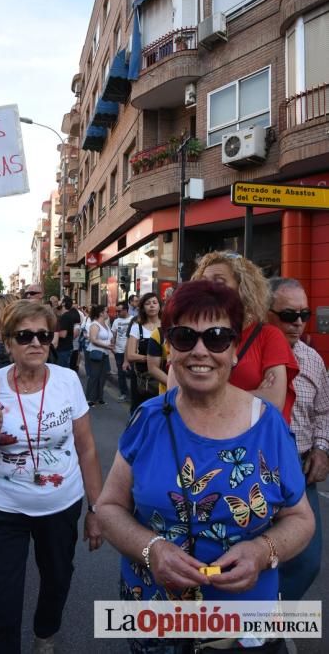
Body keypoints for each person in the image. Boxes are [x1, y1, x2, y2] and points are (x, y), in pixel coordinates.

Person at [97, 280, 314, 654]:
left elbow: (301, 518)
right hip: (158, 622)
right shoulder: (147, 419)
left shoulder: (268, 424)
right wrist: (152, 549)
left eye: (216, 337)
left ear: (233, 350)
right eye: (184, 337)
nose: (200, 351)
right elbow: (109, 507)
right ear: (169, 346)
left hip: (246, 626)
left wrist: (262, 551)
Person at [0, 300, 103, 654]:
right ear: (8, 343)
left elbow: (86, 449)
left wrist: (97, 510)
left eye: (43, 334)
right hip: (3, 508)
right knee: (1, 598)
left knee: (57, 578)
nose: (36, 343)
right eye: (25, 336)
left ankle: (45, 631)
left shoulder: (68, 381)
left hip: (61, 505)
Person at [183, 251, 299, 424]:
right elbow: (176, 396)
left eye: (218, 281)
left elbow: (274, 400)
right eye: (204, 281)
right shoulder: (187, 333)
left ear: (243, 288)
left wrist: (204, 399)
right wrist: (250, 396)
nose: (207, 287)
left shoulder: (268, 335)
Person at [268, 277, 329, 601]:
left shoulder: (312, 359)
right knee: (255, 557)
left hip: (300, 472)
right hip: (255, 472)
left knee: (306, 562)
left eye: (304, 315)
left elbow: (324, 412)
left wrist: (321, 449)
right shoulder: (245, 356)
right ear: (267, 313)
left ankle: (263, 622)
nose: (299, 323)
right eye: (289, 315)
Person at [126, 292, 162, 413]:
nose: (151, 306)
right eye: (147, 303)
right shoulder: (137, 327)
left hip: (163, 378)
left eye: (154, 303)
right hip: (142, 379)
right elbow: (131, 355)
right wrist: (151, 359)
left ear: (159, 306)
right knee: (139, 411)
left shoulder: (167, 326)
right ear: (143, 308)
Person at [86, 304, 113, 407]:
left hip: (105, 353)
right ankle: (90, 399)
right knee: (94, 376)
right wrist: (107, 345)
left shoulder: (105, 324)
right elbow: (93, 339)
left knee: (102, 376)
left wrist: (110, 346)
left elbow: (109, 338)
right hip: (96, 353)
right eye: (106, 311)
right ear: (101, 313)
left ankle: (99, 398)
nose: (108, 313)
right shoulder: (95, 325)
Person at [111, 301, 132, 402]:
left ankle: (133, 393)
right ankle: (124, 393)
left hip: (131, 352)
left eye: (119, 311)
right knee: (121, 374)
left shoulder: (133, 320)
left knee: (132, 373)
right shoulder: (116, 321)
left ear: (125, 310)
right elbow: (114, 335)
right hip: (119, 351)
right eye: (116, 311)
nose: (117, 313)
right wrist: (113, 348)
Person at [56, 296, 79, 368]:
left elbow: (63, 334)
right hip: (66, 348)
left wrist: (51, 333)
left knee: (62, 372)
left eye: (60, 300)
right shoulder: (67, 315)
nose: (58, 302)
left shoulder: (65, 316)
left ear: (63, 303)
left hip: (63, 349)